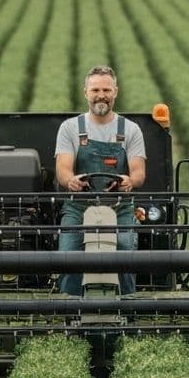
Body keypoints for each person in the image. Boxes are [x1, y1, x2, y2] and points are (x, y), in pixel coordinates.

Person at [55, 65, 146, 295]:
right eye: (95, 90)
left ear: (116, 91)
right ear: (85, 92)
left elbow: (139, 172)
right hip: (78, 206)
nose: (101, 95)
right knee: (68, 257)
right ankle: (70, 314)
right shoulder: (70, 128)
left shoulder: (131, 130)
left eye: (106, 89)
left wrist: (129, 180)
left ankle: (126, 312)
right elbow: (63, 169)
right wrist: (71, 181)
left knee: (126, 254)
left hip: (120, 208)